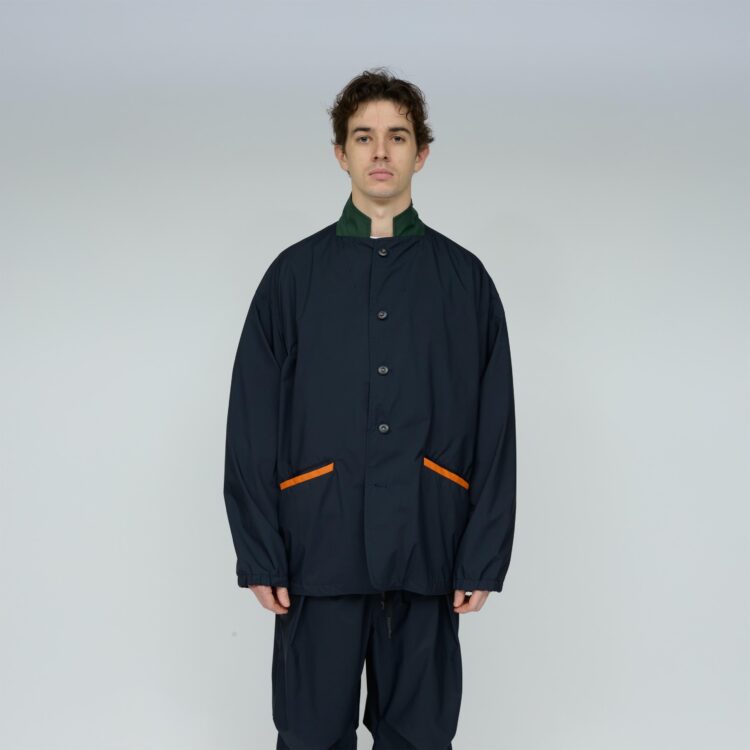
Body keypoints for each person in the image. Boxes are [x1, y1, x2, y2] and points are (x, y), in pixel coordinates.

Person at [222, 67, 517, 750]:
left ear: (422, 153)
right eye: (363, 137)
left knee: (421, 735)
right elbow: (251, 422)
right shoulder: (292, 277)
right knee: (310, 733)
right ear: (341, 153)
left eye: (397, 136)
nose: (380, 152)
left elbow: (495, 427)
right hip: (317, 546)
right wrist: (260, 551)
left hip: (428, 543)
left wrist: (482, 554)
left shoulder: (465, 281)